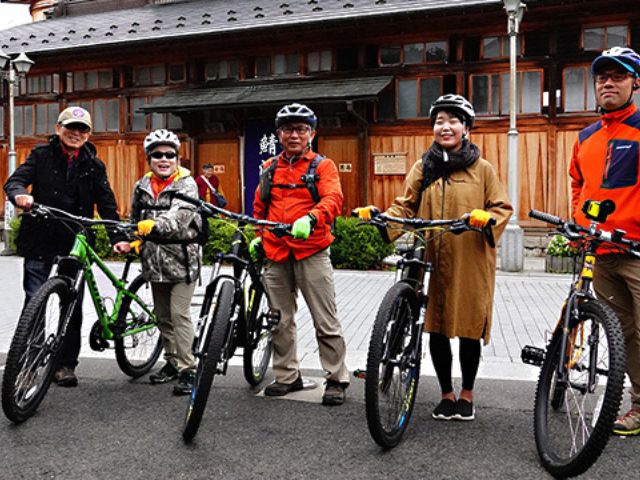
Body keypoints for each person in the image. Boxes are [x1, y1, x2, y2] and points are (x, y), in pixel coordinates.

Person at [355, 95, 512, 421]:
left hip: (470, 257)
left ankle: (467, 393)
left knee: (469, 327)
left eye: (453, 121)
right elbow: (405, 205)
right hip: (432, 256)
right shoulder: (422, 166)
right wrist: (383, 218)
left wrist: (485, 217)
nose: (446, 127)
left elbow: (502, 207)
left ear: (466, 128)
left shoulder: (482, 168)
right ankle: (446, 393)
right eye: (440, 121)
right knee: (436, 326)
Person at [4, 106, 122, 387]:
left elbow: (106, 203)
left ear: (89, 134)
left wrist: (118, 238)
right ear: (58, 129)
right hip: (41, 236)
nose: (76, 133)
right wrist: (21, 195)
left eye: (82, 129)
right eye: (71, 127)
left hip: (76, 240)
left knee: (73, 302)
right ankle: (29, 363)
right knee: (34, 301)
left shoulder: (94, 164)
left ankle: (65, 364)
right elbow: (16, 180)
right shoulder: (40, 155)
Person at [250, 103, 350, 405]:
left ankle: (336, 378)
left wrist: (311, 218)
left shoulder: (323, 166)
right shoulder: (269, 168)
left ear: (312, 133)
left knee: (325, 319)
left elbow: (334, 199)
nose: (294, 135)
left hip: (312, 249)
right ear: (279, 134)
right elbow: (259, 208)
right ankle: (286, 376)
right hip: (276, 251)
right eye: (288, 129)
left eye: (301, 129)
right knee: (279, 319)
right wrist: (258, 237)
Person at [569, 46, 640, 436]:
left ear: (635, 82)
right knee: (625, 332)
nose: (608, 83)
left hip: (637, 252)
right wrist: (580, 222)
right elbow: (578, 183)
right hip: (600, 254)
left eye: (618, 75)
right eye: (602, 77)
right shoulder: (586, 137)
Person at [113, 129, 201, 396]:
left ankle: (189, 368)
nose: (164, 159)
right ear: (149, 158)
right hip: (153, 262)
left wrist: (152, 226)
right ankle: (172, 362)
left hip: (182, 262)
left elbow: (179, 218)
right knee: (162, 316)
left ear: (177, 158)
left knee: (179, 314)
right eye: (158, 155)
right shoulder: (141, 185)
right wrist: (130, 239)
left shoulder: (187, 184)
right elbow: (133, 218)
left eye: (170, 155)